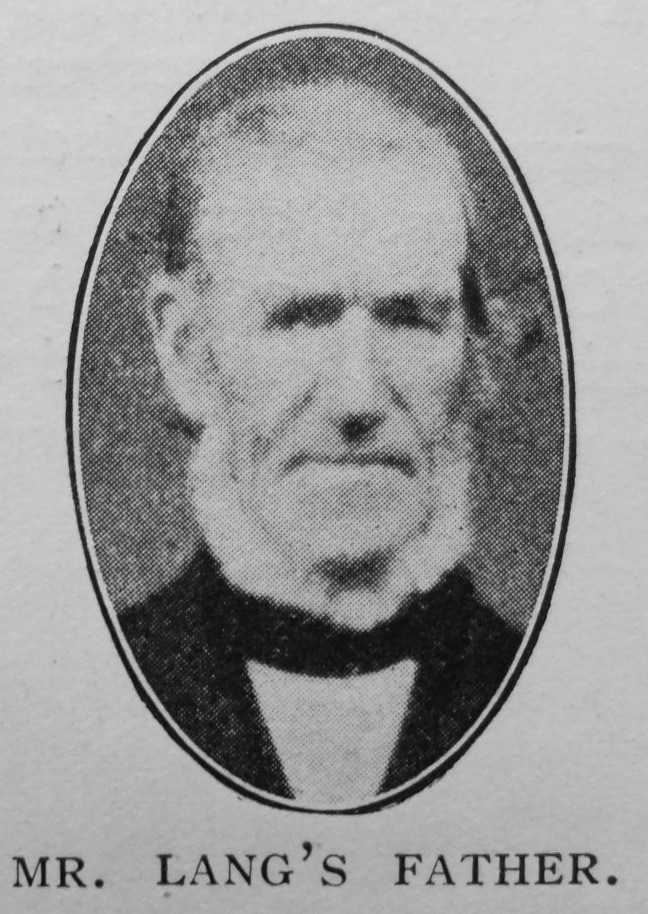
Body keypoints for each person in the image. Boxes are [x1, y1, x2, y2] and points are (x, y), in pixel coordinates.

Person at [120, 75, 522, 807]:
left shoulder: (556, 689)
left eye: (409, 318)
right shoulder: (91, 683)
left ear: (473, 351)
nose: (357, 399)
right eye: (299, 318)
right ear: (188, 352)